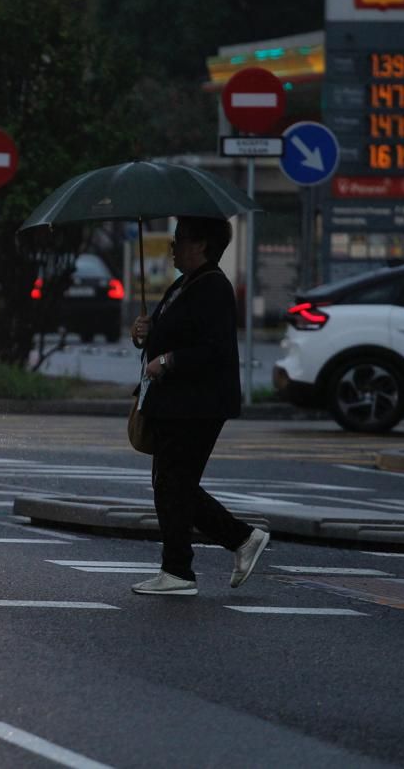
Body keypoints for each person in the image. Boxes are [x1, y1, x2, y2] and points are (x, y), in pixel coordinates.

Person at [129, 216, 269, 596]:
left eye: (180, 240)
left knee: (175, 484)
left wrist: (169, 361)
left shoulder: (213, 287)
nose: (173, 247)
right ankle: (182, 567)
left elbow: (214, 349)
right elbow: (165, 332)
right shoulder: (185, 283)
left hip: (197, 404)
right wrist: (143, 333)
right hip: (174, 403)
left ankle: (223, 547)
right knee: (169, 484)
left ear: (202, 245)